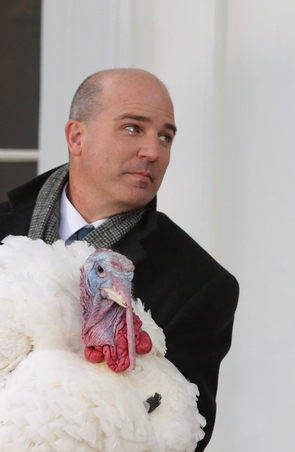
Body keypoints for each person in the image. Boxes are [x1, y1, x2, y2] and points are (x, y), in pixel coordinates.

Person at [0, 68, 239, 451]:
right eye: (133, 128)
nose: (153, 151)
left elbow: (180, 435)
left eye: (166, 137)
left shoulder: (200, 284)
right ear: (76, 137)